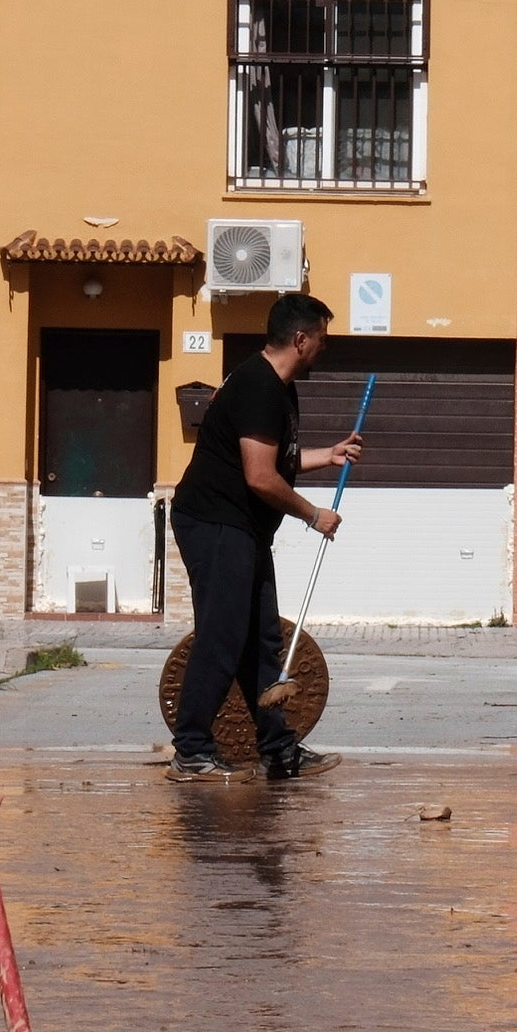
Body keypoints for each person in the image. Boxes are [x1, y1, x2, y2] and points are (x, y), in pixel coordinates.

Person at [167, 291, 362, 781]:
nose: (325, 348)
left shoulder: (279, 387)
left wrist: (329, 455)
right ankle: (190, 750)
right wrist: (312, 515)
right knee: (223, 635)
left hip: (242, 527)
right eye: (322, 339)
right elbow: (259, 476)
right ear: (300, 339)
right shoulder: (258, 387)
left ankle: (279, 750)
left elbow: (278, 460)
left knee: (261, 640)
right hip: (214, 522)